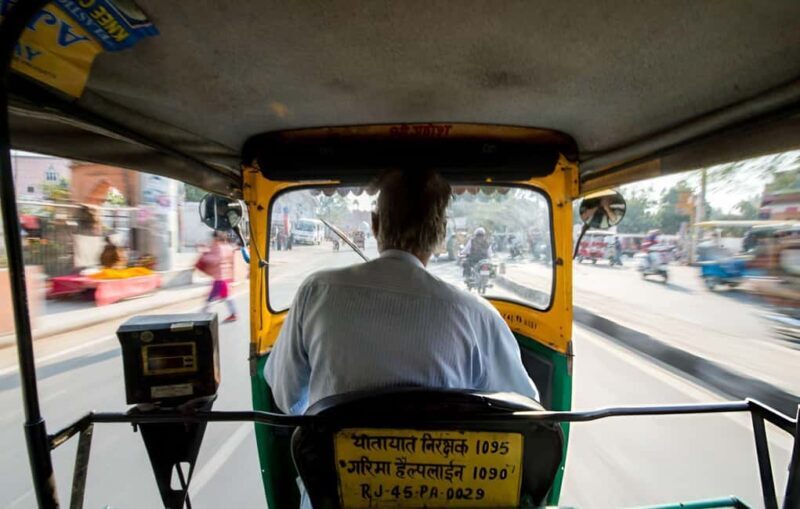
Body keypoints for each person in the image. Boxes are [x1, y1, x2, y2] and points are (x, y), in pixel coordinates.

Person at [265, 169, 537, 507]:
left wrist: (332, 422)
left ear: (375, 224)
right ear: (441, 234)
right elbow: (526, 412)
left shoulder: (316, 292)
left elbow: (285, 393)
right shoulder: (477, 315)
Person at [199, 231, 238, 323]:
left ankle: (203, 315)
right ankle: (233, 314)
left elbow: (215, 259)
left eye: (213, 238)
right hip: (225, 276)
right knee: (226, 297)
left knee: (212, 298)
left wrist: (204, 256)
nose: (212, 240)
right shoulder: (228, 247)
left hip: (219, 278)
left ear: (216, 238)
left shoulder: (218, 247)